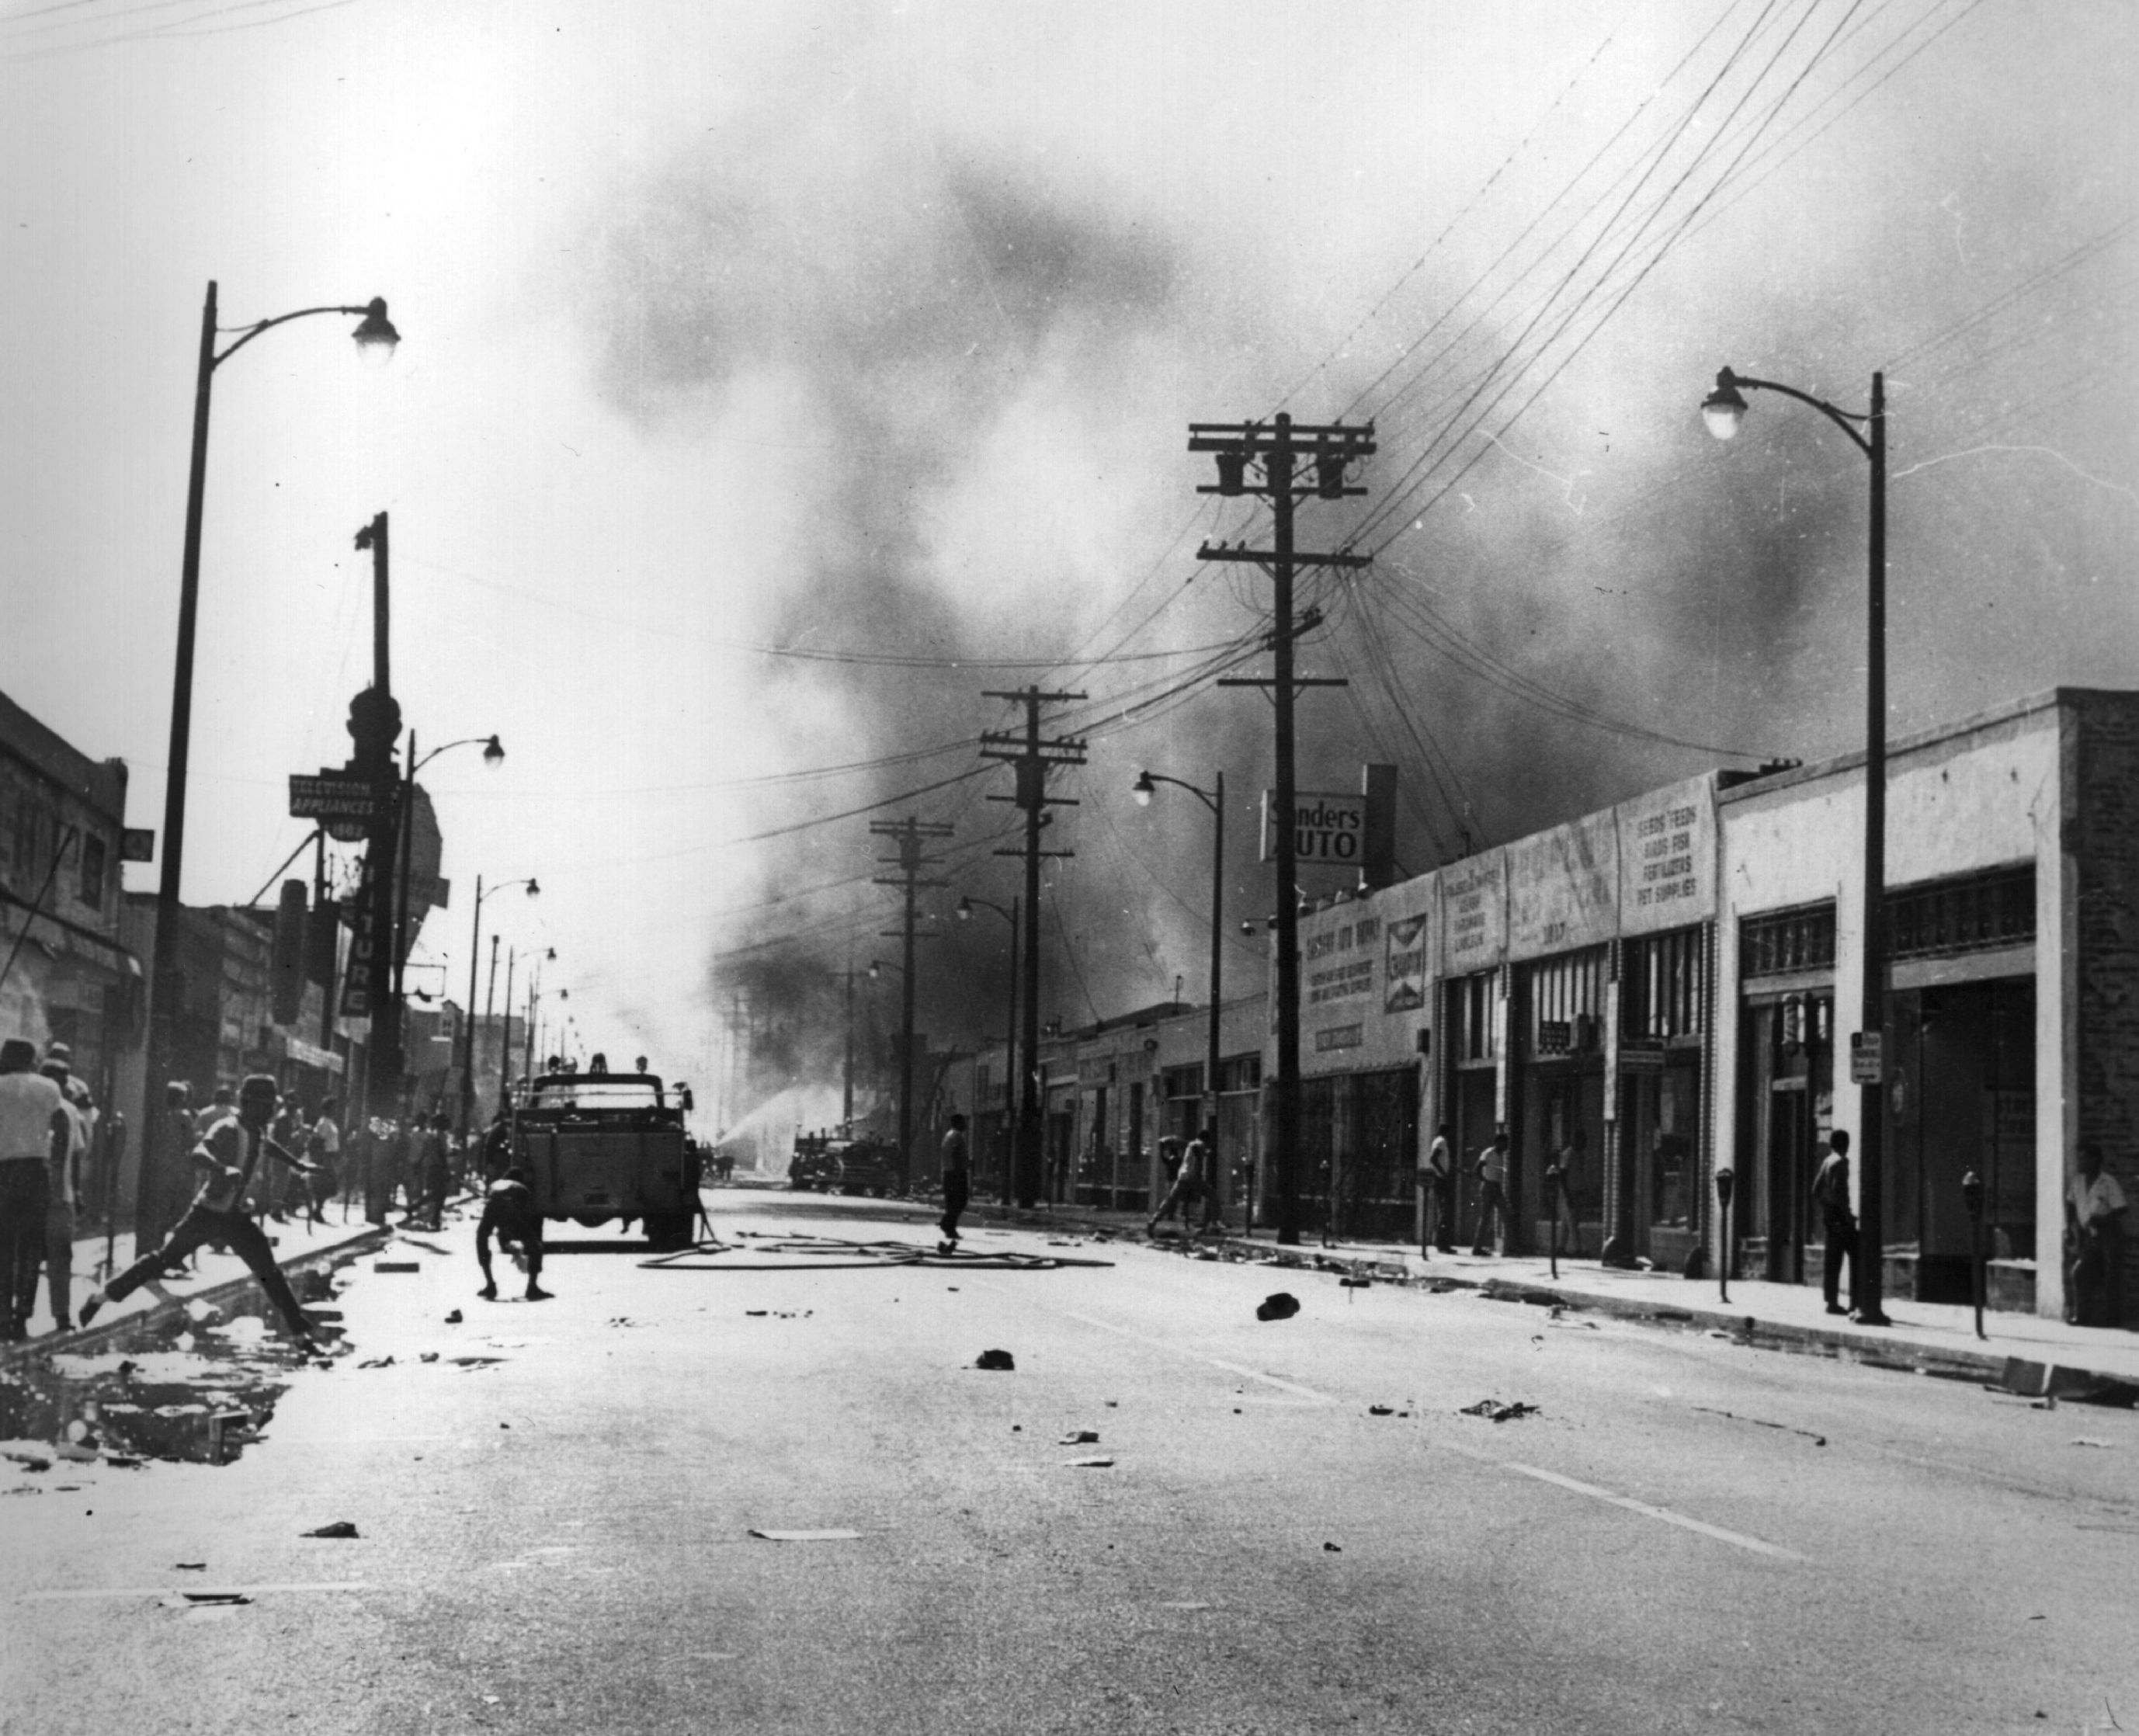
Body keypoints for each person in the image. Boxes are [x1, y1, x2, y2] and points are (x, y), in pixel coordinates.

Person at [82, 1074, 321, 1350]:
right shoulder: (228, 1127)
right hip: (207, 1214)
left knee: (270, 1272)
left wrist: (299, 1165)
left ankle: (301, 1335)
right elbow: (199, 1152)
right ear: (248, 1102)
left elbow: (269, 1147)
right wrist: (222, 1168)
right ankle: (101, 1297)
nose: (269, 1111)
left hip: (236, 1218)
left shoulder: (257, 1130)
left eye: (271, 1105)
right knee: (163, 1260)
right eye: (265, 1105)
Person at [0, 1039, 69, 1342]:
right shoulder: (49, 1088)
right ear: (31, 1060)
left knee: (3, 1248)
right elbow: (61, 1130)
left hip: (3, 1171)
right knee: (30, 1249)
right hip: (37, 1171)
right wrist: (55, 1172)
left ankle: (2, 1317)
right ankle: (22, 1317)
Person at [39, 1047, 93, 1332]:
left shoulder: (68, 1111)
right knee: (60, 1257)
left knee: (30, 1256)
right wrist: (78, 1193)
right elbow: (75, 1157)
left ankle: (21, 1315)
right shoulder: (71, 1111)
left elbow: (74, 1156)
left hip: (42, 1195)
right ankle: (61, 1315)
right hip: (60, 1198)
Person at [2065, 1141, 2129, 1327]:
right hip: (2089, 1235)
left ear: (2095, 1160)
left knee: (2111, 1276)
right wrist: (2070, 1228)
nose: (2080, 1162)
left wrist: (2103, 1219)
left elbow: (2121, 1208)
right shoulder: (2077, 1181)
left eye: (2084, 1158)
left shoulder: (2108, 1182)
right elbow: (2071, 1203)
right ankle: (2082, 1316)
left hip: (2109, 1234)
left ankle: (2112, 1318)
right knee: (2080, 1272)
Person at [476, 1167, 550, 1302]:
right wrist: (534, 1243)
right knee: (536, 1246)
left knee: (481, 1240)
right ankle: (532, 1287)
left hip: (492, 1208)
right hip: (513, 1211)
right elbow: (532, 1219)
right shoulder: (522, 1189)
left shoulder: (496, 1184)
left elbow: (492, 1209)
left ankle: (490, 1284)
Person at [1811, 1128, 1856, 1316]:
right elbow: (1840, 1193)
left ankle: (1831, 1301)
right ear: (1845, 1144)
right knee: (1857, 1254)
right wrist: (1847, 1215)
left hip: (1829, 1216)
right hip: (1839, 1216)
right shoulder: (1840, 1163)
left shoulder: (1827, 1161)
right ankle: (1857, 1301)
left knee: (1832, 1260)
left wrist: (1826, 1206)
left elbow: (1816, 1189)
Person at [1470, 1129, 1512, 1257]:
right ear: (1498, 1142)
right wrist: (1485, 1181)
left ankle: (1507, 1249)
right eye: (1504, 1143)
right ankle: (1477, 1248)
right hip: (1488, 1187)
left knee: (1506, 1215)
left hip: (1497, 1187)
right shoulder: (1488, 1153)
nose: (1506, 1146)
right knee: (1485, 1218)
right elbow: (1477, 1169)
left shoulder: (1501, 1156)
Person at [305, 1096, 342, 1227]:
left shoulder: (330, 1122)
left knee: (330, 1186)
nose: (335, 1110)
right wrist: (322, 1160)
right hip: (324, 1157)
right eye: (333, 1107)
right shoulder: (323, 1123)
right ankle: (317, 1211)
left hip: (331, 1156)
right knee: (325, 1185)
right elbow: (318, 1141)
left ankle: (318, 1209)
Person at [937, 1113, 971, 1252]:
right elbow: (956, 1154)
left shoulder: (948, 1135)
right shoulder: (957, 1136)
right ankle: (947, 1224)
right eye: (963, 1122)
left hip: (948, 1172)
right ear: (958, 1123)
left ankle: (949, 1226)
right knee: (960, 1200)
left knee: (952, 1202)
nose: (966, 1125)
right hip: (956, 1173)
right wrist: (960, 1172)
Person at [1421, 1121, 1456, 1254]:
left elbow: (1443, 1161)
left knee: (1444, 1211)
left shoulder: (1439, 1141)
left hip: (1441, 1178)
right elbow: (1433, 1159)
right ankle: (1442, 1243)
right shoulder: (1441, 1142)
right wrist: (1443, 1173)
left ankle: (1442, 1242)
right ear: (1446, 1132)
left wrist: (1457, 1170)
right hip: (1441, 1180)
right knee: (1444, 1212)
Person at [1552, 1129, 1587, 1259]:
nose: (1585, 1144)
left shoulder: (1579, 1155)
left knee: (1567, 1223)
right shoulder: (1568, 1154)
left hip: (1576, 1192)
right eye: (1583, 1141)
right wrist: (1567, 1195)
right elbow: (1563, 1175)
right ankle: (1578, 1250)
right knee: (1572, 1222)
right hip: (1569, 1192)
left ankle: (1561, 1247)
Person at [417, 1113, 453, 1229]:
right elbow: (442, 1153)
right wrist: (446, 1168)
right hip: (439, 1167)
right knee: (439, 1195)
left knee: (436, 1194)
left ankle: (434, 1219)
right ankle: (435, 1221)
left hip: (434, 1166)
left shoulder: (434, 1134)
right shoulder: (440, 1135)